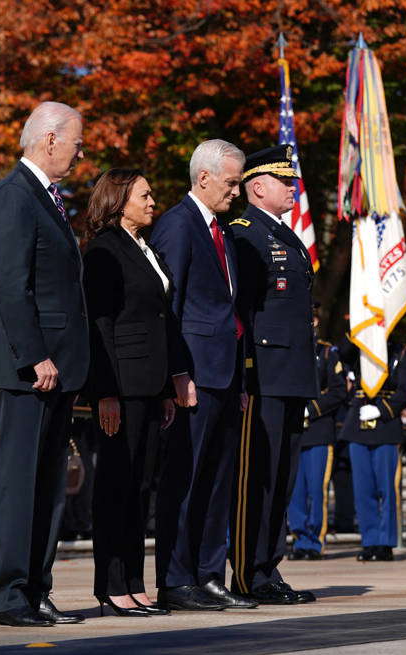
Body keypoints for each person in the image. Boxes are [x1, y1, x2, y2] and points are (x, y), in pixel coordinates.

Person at [0, 101, 89, 627]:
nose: (80, 151)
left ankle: (36, 589)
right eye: (76, 142)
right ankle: (8, 597)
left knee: (49, 487)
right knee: (20, 485)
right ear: (50, 140)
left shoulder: (47, 197)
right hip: (31, 369)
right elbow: (9, 285)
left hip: (58, 365)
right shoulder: (14, 196)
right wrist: (34, 355)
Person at [151, 139, 249, 612]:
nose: (237, 191)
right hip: (194, 375)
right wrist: (177, 372)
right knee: (185, 483)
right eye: (231, 182)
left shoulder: (223, 232)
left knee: (217, 483)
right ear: (204, 177)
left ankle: (210, 575)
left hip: (226, 376)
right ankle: (176, 578)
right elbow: (169, 305)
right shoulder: (177, 224)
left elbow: (231, 310)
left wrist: (243, 382)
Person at [83, 168, 176, 617]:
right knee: (117, 485)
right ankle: (112, 583)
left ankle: (136, 583)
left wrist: (166, 388)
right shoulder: (104, 249)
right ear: (120, 200)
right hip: (121, 385)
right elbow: (99, 325)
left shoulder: (147, 248)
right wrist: (105, 393)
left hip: (150, 384)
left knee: (140, 486)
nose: (153, 200)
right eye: (145, 194)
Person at [228, 145, 320, 604]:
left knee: (281, 478)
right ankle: (247, 573)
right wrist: (243, 373)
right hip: (262, 374)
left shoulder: (286, 237)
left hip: (291, 374)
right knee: (257, 478)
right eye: (286, 182)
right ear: (258, 186)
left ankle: (267, 568)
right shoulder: (244, 233)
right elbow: (241, 311)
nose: (293, 188)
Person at [338, 338, 406, 562]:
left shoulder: (401, 351)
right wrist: (359, 329)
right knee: (363, 490)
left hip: (386, 427)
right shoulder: (360, 345)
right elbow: (344, 353)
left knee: (386, 489)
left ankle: (386, 542)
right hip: (358, 425)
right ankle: (369, 540)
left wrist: (382, 409)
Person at [288, 335, 346, 561]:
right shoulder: (291, 346)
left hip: (318, 430)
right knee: (295, 490)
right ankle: (299, 538)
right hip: (294, 429)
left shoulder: (327, 352)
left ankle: (314, 540)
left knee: (316, 489)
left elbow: (338, 391)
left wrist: (311, 409)